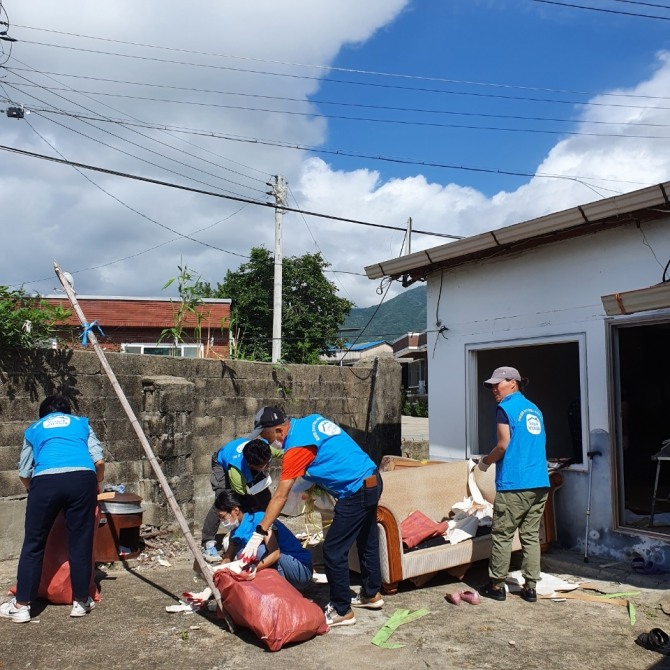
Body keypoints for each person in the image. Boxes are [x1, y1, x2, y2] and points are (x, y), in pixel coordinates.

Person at [239, 406, 383, 627]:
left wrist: (259, 533)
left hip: (356, 491)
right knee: (367, 540)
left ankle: (342, 610)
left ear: (278, 431)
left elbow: (280, 496)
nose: (266, 442)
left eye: (265, 436)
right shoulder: (310, 421)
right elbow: (329, 453)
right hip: (372, 479)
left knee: (333, 551)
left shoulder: (296, 448)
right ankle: (372, 595)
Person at [0, 395, 105, 623]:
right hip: (82, 479)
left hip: (45, 481)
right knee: (80, 541)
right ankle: (81, 602)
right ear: (67, 413)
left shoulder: (33, 429)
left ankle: (21, 606)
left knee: (34, 544)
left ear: (43, 415)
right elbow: (98, 461)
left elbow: (24, 472)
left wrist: (35, 492)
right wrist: (97, 483)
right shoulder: (81, 423)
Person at [477, 366, 549, 603]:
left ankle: (496, 585)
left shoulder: (505, 408)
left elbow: (503, 445)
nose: (494, 389)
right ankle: (530, 588)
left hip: (515, 484)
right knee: (529, 536)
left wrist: (485, 462)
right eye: (491, 385)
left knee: (502, 534)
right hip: (539, 482)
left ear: (513, 383)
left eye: (498, 384)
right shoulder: (535, 410)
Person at [200, 437, 282, 563]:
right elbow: (241, 497)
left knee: (264, 495)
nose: (265, 467)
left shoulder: (265, 450)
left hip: (242, 459)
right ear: (250, 464)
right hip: (221, 462)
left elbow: (283, 454)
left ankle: (267, 529)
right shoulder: (236, 471)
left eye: (267, 464)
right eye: (261, 466)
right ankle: (208, 543)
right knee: (223, 502)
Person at [216, 489, 313, 589]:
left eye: (222, 517)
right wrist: (216, 573)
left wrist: (254, 567)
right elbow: (228, 558)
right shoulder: (235, 532)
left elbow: (275, 554)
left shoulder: (262, 519)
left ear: (235, 510)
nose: (222, 522)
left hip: (299, 571)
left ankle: (279, 590)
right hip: (284, 569)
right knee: (242, 553)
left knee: (258, 551)